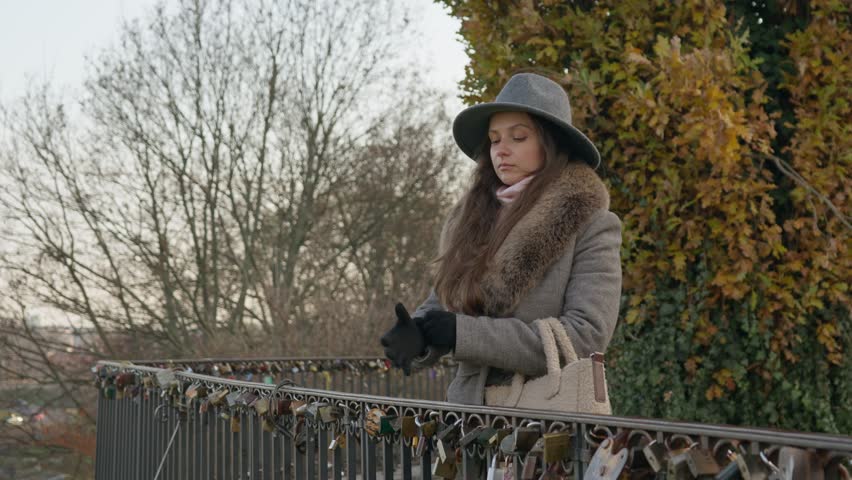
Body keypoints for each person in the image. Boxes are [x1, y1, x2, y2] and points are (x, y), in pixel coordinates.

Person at [381, 72, 622, 407]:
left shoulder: (592, 225)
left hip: (545, 428)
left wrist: (461, 333)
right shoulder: (470, 222)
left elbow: (585, 337)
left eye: (519, 137)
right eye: (494, 140)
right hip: (468, 423)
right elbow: (443, 307)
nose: (501, 150)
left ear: (551, 145)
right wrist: (418, 334)